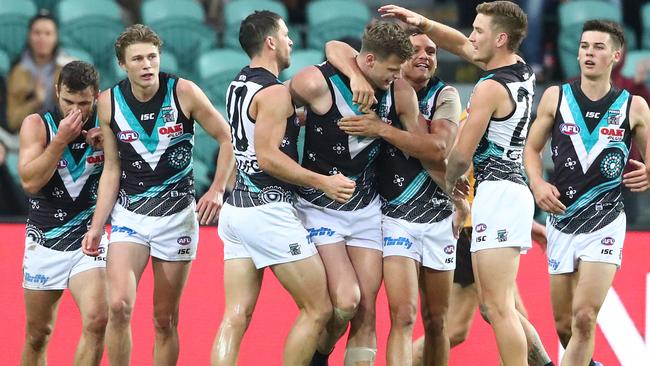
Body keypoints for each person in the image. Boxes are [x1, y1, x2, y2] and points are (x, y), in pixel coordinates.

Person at [381, 2, 541, 364]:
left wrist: (452, 188)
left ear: (500, 38)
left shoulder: (487, 89)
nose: (471, 37)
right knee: (497, 306)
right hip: (511, 191)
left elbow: (459, 156)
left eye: (479, 31)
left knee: (499, 308)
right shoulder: (521, 70)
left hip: (496, 193)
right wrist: (424, 23)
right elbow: (465, 47)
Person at [81, 24, 235, 365]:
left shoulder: (184, 92)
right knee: (118, 306)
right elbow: (111, 169)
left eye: (152, 56)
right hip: (129, 218)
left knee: (164, 320)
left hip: (177, 220)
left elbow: (228, 138)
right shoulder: (107, 103)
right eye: (138, 58)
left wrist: (218, 189)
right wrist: (96, 225)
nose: (147, 64)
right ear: (123, 64)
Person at [211, 11, 355, 366]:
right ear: (270, 42)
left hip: (236, 212)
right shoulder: (275, 92)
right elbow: (269, 158)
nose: (291, 41)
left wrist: (292, 121)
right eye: (286, 34)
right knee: (318, 309)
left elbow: (247, 136)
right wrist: (324, 181)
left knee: (236, 315)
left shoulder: (239, 84)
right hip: (268, 211)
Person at [325, 29, 466, 365]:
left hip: (438, 216)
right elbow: (334, 45)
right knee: (403, 316)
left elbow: (438, 148)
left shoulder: (445, 95)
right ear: (399, 58)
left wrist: (381, 129)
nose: (425, 56)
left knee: (437, 322)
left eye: (432, 51)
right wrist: (357, 75)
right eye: (416, 50)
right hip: (395, 217)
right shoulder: (381, 90)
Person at [288, 21, 416, 366]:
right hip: (318, 207)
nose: (396, 77)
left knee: (366, 311)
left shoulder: (399, 91)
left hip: (367, 210)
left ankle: (323, 355)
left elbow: (421, 145)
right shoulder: (317, 83)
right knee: (345, 301)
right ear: (370, 60)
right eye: (391, 70)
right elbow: (271, 107)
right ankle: (319, 356)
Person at [524, 19, 648, 365]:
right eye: (584, 46)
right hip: (561, 222)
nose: (589, 53)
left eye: (598, 47)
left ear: (616, 55)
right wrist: (537, 183)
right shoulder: (556, 96)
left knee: (583, 317)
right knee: (565, 326)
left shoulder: (633, 106)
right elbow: (531, 149)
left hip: (605, 223)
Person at [18, 60, 107, 366]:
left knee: (97, 320)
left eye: (84, 103)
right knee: (37, 334)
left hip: (88, 240)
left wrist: (112, 145)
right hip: (44, 241)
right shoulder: (37, 124)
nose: (76, 112)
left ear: (96, 96)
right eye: (68, 101)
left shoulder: (107, 123)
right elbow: (30, 182)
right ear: (57, 91)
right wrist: (59, 141)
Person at [7, 11, 63, 133]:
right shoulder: (18, 71)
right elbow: (12, 121)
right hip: (25, 135)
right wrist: (36, 102)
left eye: (48, 33)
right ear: (29, 36)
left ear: (56, 37)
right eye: (37, 33)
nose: (42, 38)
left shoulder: (66, 68)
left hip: (60, 133)